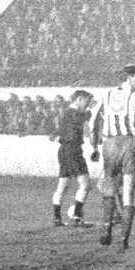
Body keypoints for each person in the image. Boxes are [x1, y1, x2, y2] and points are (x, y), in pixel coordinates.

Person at [90, 64, 135, 250]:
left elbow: (93, 120)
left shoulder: (107, 93)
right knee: (128, 193)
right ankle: (124, 238)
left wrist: (94, 146)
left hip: (109, 144)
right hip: (130, 144)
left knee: (109, 188)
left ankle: (107, 228)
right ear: (129, 77)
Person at [51, 89, 95, 227]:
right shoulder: (72, 112)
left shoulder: (68, 112)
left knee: (63, 185)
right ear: (79, 99)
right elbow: (82, 118)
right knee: (85, 185)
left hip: (64, 150)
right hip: (72, 150)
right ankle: (76, 216)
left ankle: (57, 218)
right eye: (87, 101)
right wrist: (92, 112)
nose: (88, 105)